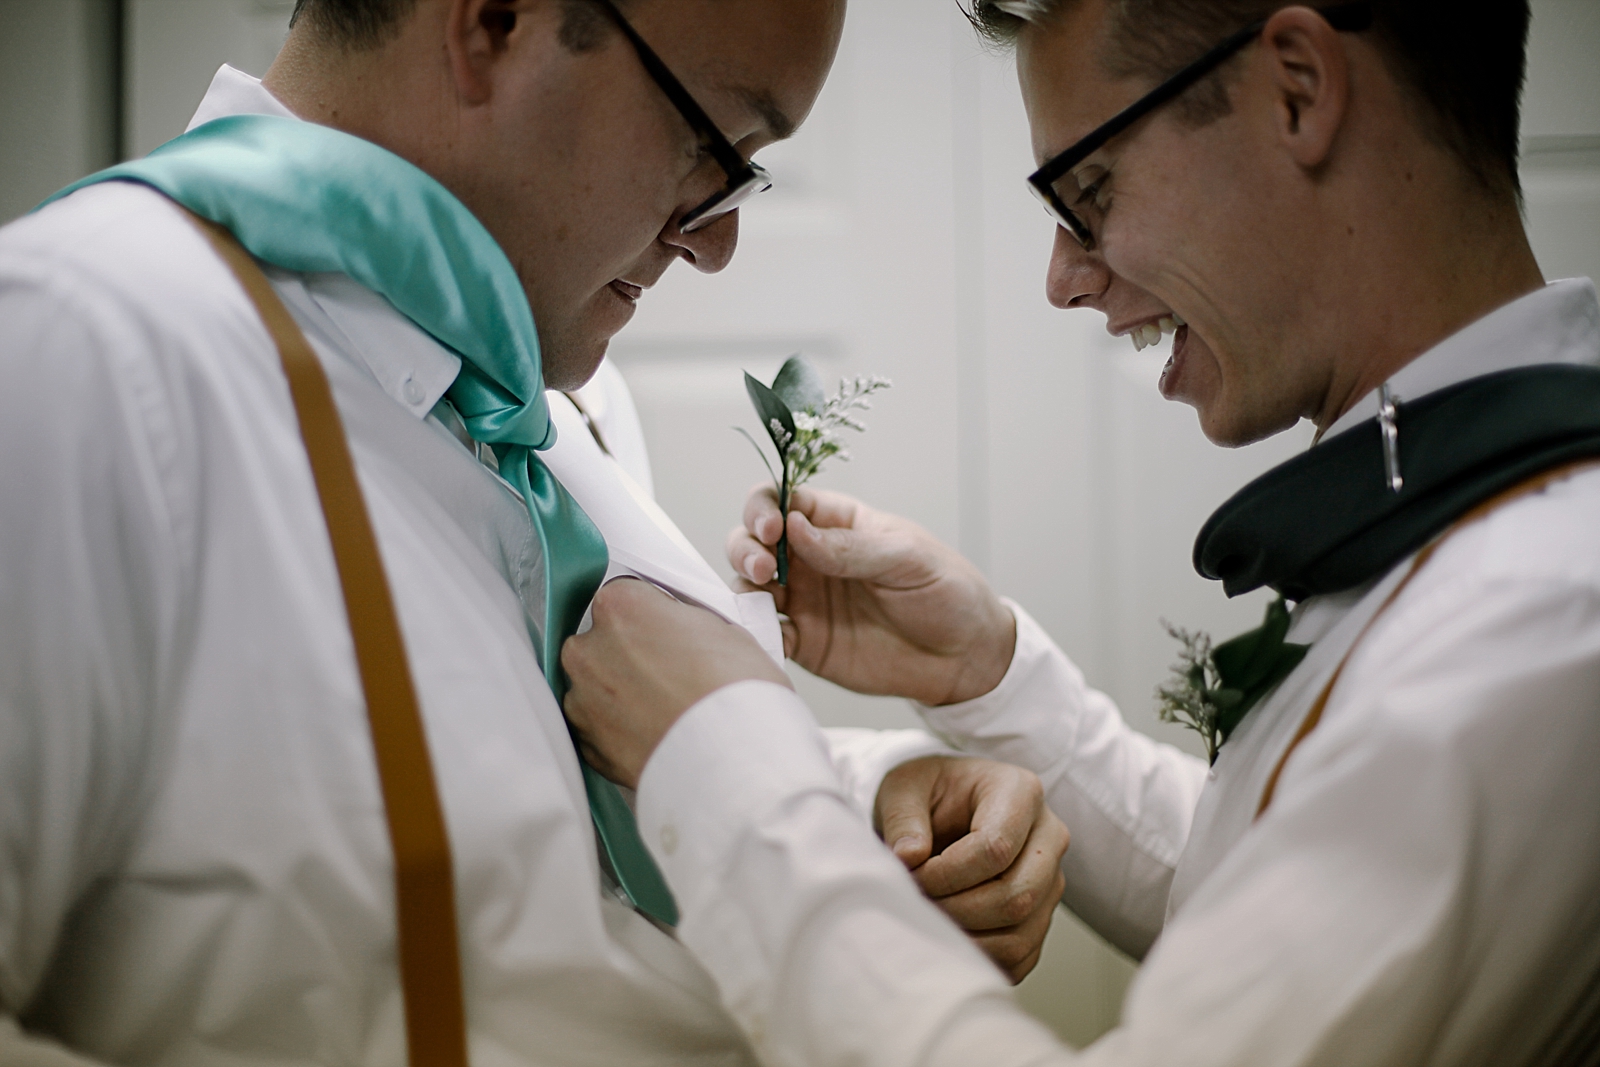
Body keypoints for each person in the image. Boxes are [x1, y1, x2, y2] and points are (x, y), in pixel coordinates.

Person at [0, 1, 1071, 1064]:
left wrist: (864, 795)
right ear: (495, 22)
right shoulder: (72, 353)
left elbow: (526, 793)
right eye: (715, 145)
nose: (718, 245)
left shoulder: (560, 407)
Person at [563, 0, 1600, 1064]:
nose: (1064, 278)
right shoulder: (1476, 531)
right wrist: (992, 679)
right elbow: (1286, 888)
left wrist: (728, 774)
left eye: (1089, 193)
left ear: (1297, 89)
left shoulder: (1532, 616)